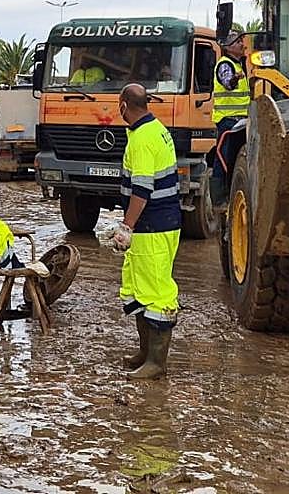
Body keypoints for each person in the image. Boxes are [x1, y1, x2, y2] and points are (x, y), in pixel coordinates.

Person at [111, 83, 180, 380]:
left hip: (152, 226)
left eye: (119, 105)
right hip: (159, 225)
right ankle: (145, 353)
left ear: (124, 105)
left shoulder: (141, 140)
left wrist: (127, 226)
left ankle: (156, 362)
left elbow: (142, 190)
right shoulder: (157, 130)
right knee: (139, 289)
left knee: (157, 293)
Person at [210, 31, 250, 200]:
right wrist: (235, 78)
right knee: (224, 158)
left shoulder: (240, 65)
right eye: (238, 41)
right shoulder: (225, 65)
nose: (242, 44)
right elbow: (228, 84)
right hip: (228, 121)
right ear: (228, 47)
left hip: (239, 120)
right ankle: (220, 196)